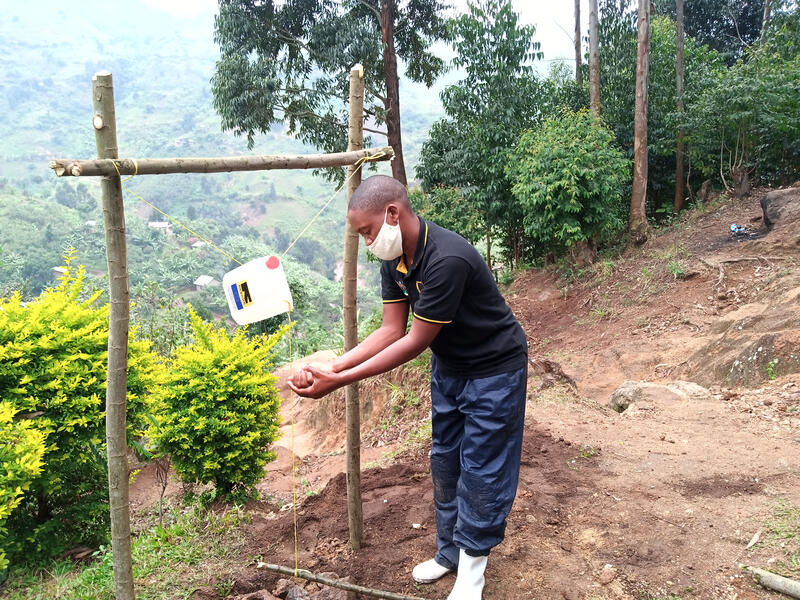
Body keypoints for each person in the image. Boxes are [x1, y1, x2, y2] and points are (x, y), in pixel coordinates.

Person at [288, 175, 528, 600]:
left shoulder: (446, 259)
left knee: (481, 469)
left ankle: (473, 573)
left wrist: (339, 382)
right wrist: (331, 365)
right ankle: (450, 553)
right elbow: (389, 329)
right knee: (445, 462)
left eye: (367, 231)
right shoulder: (395, 258)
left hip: (494, 371)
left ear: (393, 214)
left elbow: (414, 342)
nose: (366, 243)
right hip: (451, 370)